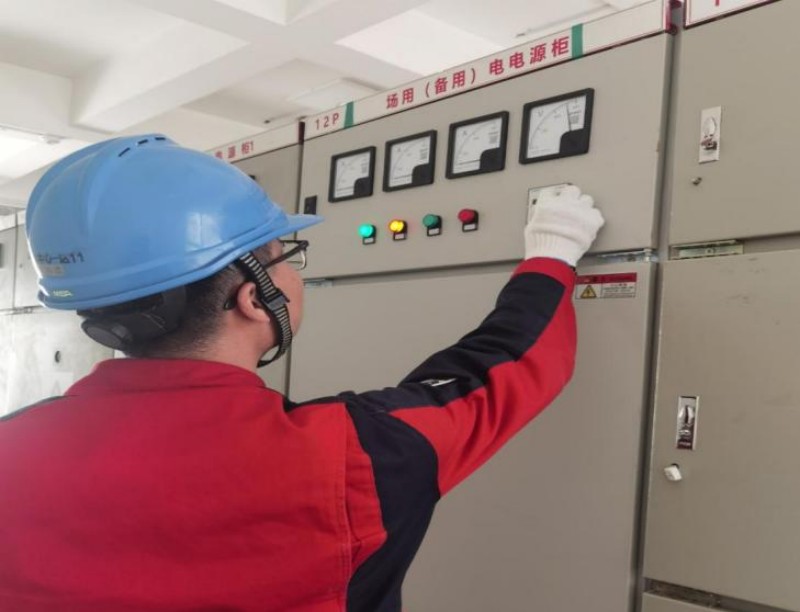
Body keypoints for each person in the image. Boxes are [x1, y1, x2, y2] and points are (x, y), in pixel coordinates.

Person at [0, 134, 604, 611]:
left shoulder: (12, 445)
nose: (296, 274)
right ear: (253, 298)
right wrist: (553, 253)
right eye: (286, 255)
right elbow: (503, 370)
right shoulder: (356, 453)